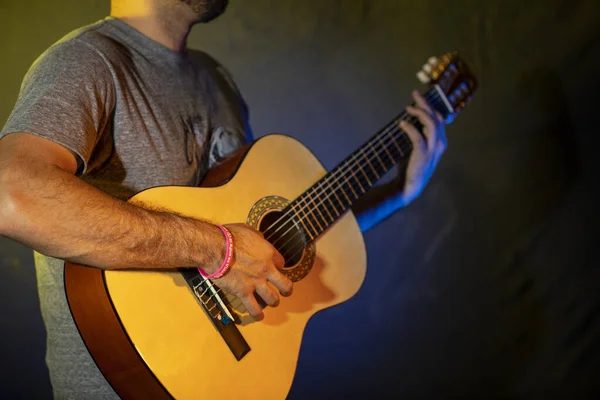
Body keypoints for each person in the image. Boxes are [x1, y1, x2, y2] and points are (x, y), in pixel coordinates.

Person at [0, 0, 447, 397]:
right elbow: (10, 191)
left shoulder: (216, 80)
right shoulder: (88, 61)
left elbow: (274, 249)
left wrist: (399, 193)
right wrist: (218, 250)